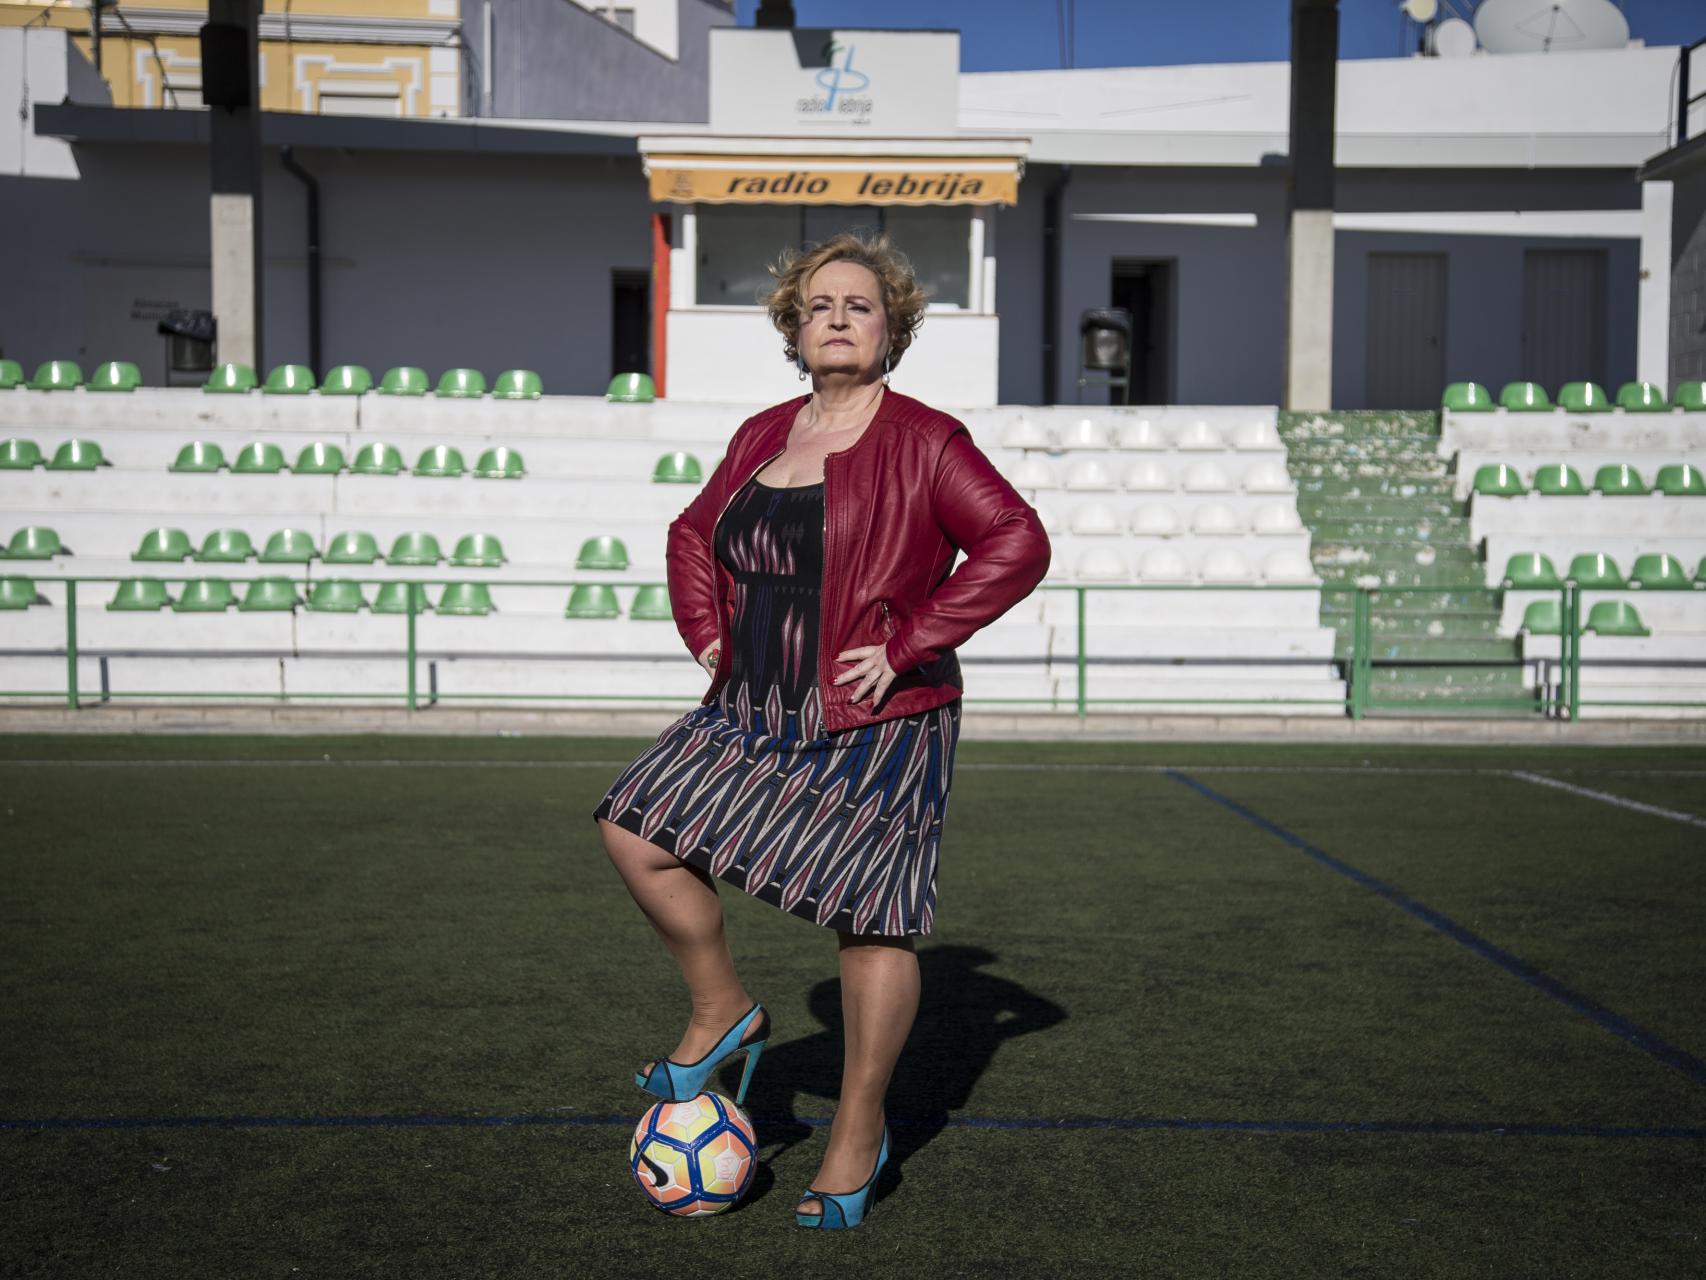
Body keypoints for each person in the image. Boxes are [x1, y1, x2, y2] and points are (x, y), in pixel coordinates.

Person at [592, 229, 1050, 1229]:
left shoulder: (926, 438)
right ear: (794, 330)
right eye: (820, 306)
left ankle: (856, 1126)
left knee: (870, 917)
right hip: (753, 700)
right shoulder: (762, 432)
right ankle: (722, 1008)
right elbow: (690, 534)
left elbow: (1016, 540)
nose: (837, 318)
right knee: (634, 824)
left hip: (878, 710)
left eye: (859, 305)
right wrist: (709, 634)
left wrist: (910, 641)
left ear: (889, 331)